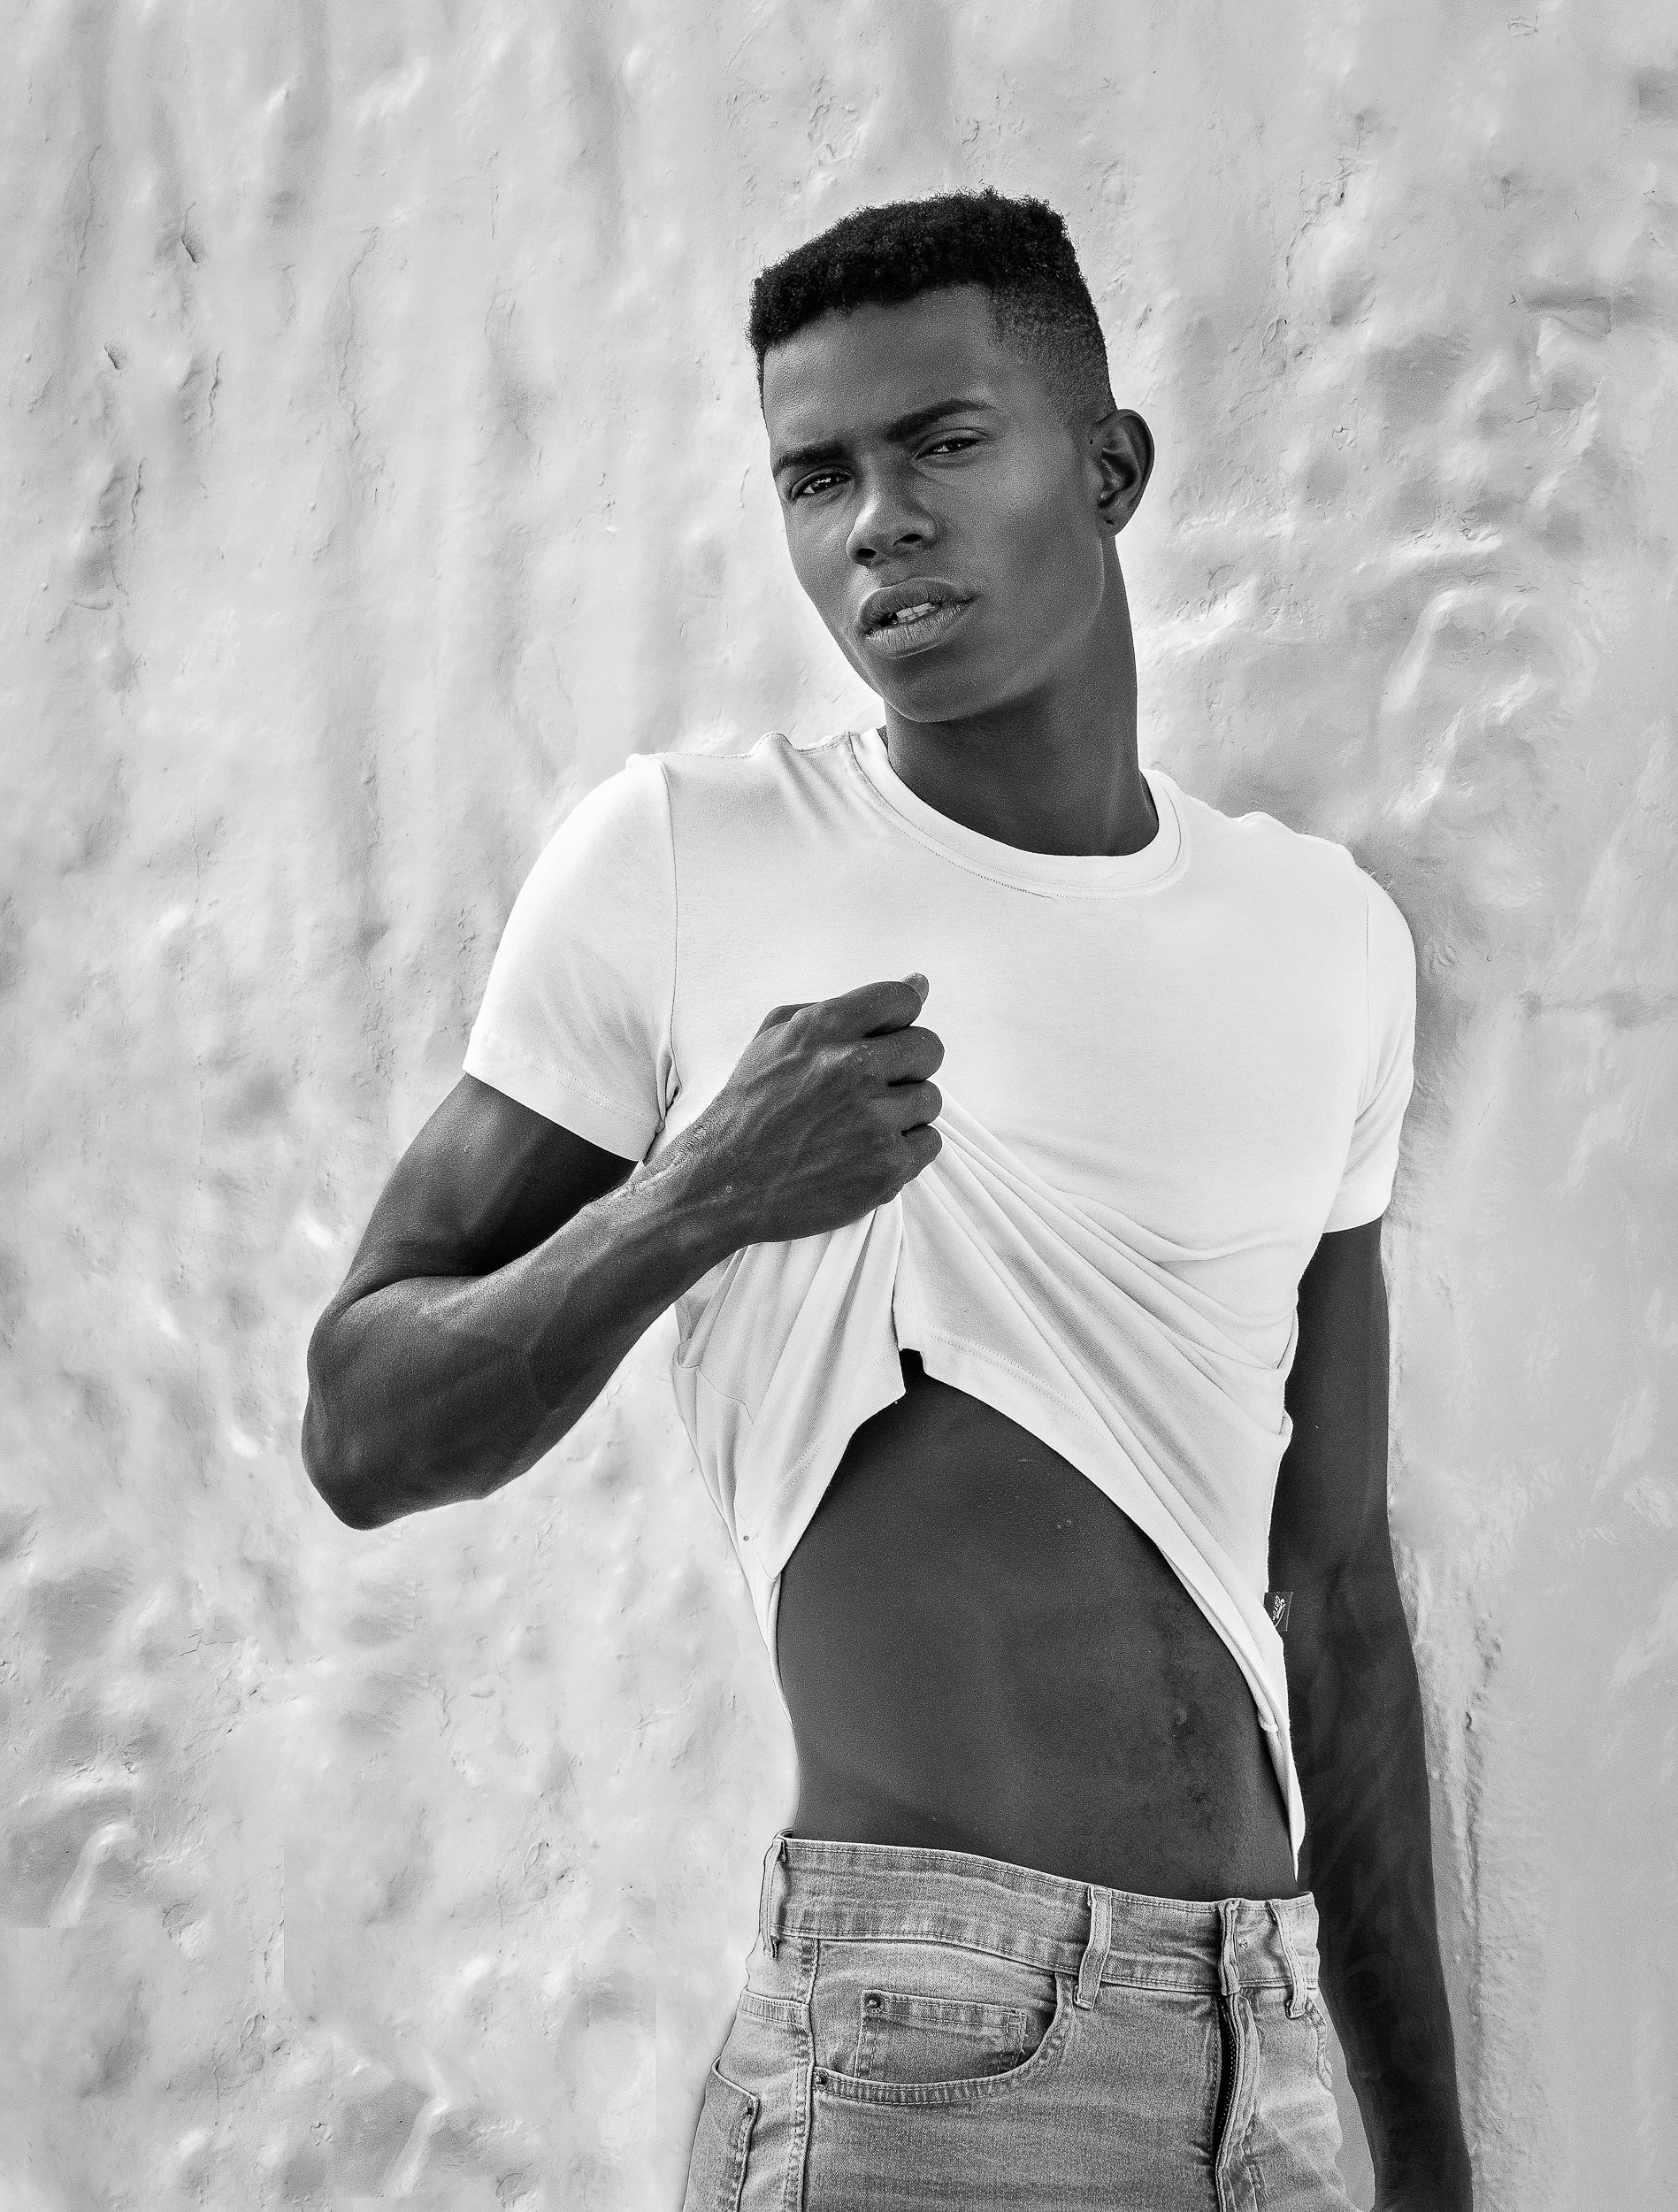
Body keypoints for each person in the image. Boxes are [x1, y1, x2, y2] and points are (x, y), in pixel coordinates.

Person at [302, 189, 1473, 2211]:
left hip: (1265, 2056)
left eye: (941, 443)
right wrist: (692, 1200)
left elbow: (1338, 1593)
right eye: (816, 475)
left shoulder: (1326, 935)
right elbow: (360, 1427)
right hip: (930, 2046)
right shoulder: (687, 861)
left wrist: (1428, 2158)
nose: (878, 524)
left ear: (1109, 468)